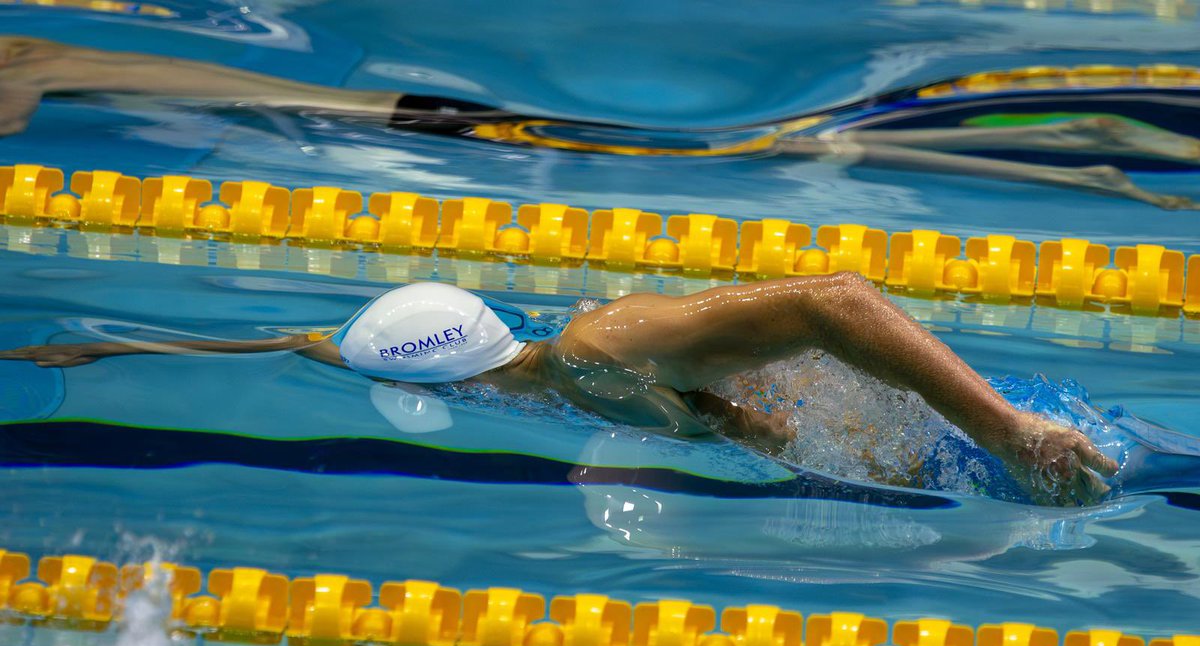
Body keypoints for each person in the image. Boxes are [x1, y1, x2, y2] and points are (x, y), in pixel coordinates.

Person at [0, 276, 1119, 505]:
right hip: (902, 469)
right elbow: (303, 340)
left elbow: (840, 299)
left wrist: (1008, 428)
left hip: (975, 441)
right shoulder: (482, 365)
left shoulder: (598, 350)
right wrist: (109, 350)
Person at [0, 35, 1198, 208]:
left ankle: (1093, 174)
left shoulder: (44, 57)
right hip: (433, 111)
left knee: (788, 147)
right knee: (799, 145)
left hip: (443, 117)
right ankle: (1094, 173)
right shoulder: (55, 54)